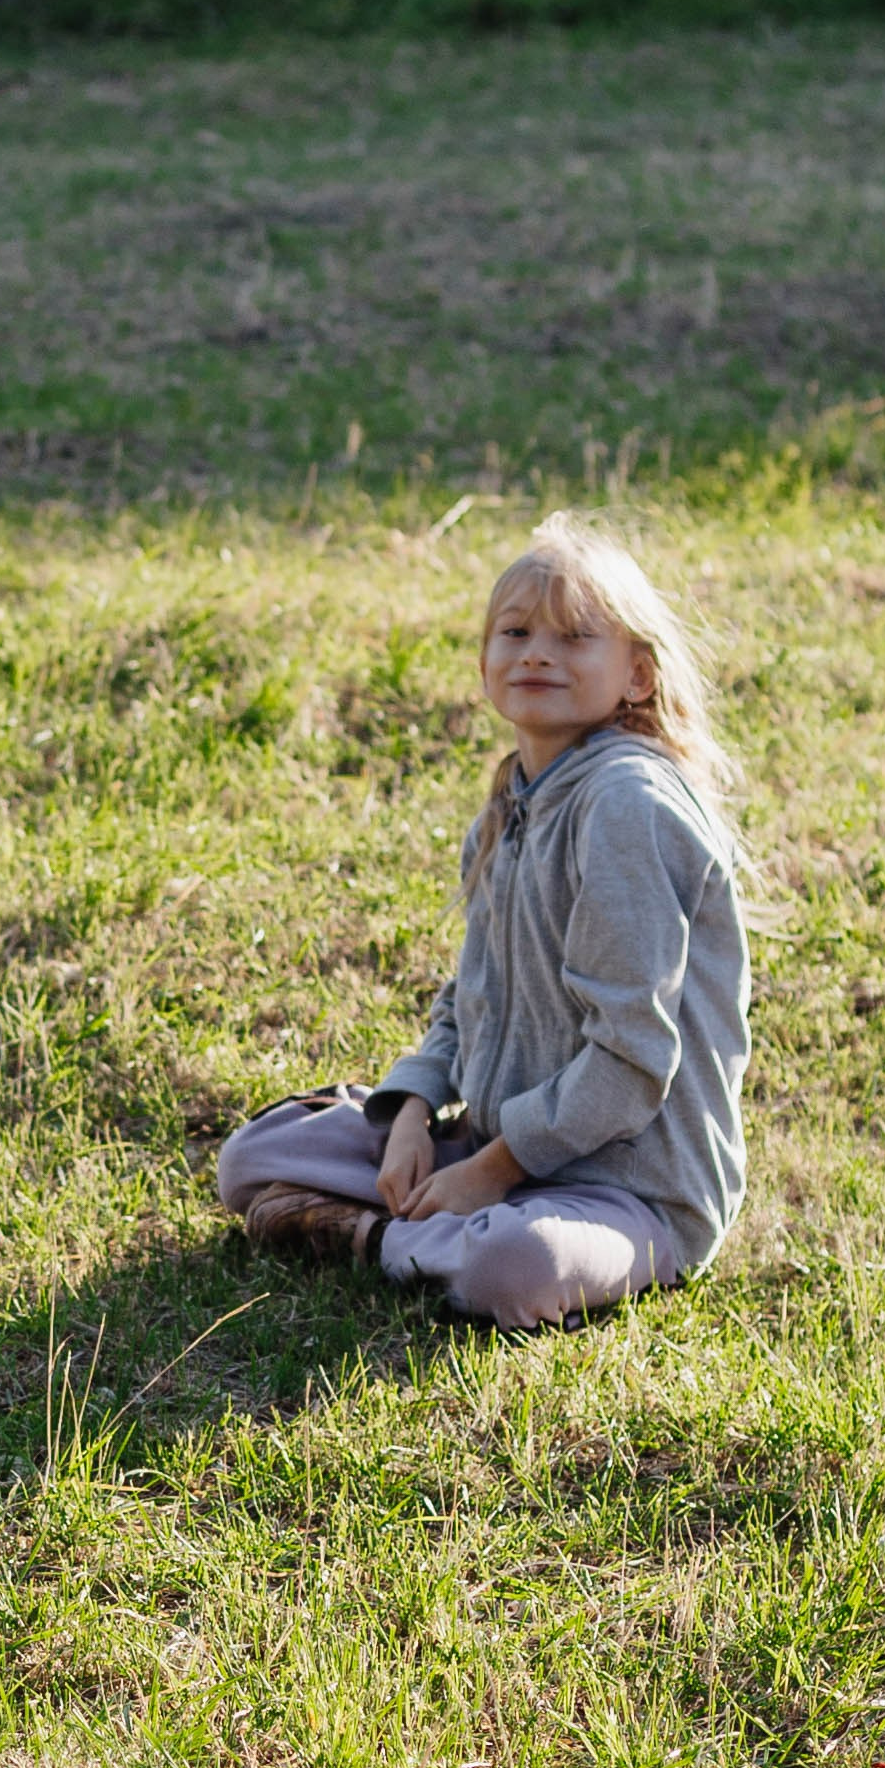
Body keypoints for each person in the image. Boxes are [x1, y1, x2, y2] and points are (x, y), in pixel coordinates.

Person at [216, 515, 749, 1336]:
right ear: (484, 664)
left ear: (637, 675)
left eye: (575, 637)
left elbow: (633, 1062)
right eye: (515, 632)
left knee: (513, 1270)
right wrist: (410, 1119)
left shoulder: (626, 806)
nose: (538, 652)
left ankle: (384, 1240)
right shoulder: (510, 805)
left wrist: (489, 1174)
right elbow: (465, 1002)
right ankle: (426, 1229)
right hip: (496, 1151)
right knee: (252, 1157)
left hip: (627, 1191)